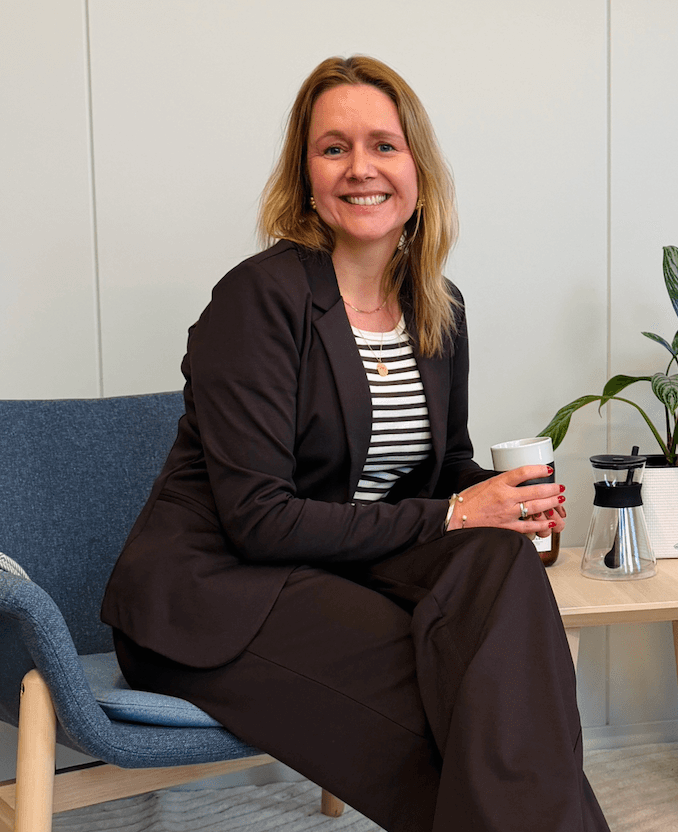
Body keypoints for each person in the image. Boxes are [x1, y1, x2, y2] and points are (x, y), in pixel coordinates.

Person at [100, 55, 610, 832]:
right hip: (218, 596)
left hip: (336, 575)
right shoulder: (260, 299)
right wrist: (454, 514)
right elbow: (260, 520)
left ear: (417, 170)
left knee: (498, 573)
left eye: (383, 145)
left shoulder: (438, 306)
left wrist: (506, 500)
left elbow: (440, 472)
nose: (360, 168)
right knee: (471, 720)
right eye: (333, 148)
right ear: (304, 175)